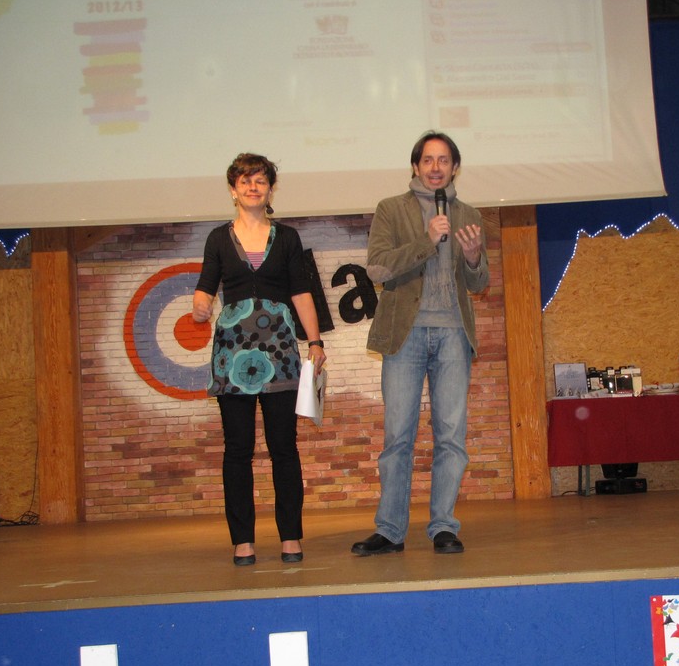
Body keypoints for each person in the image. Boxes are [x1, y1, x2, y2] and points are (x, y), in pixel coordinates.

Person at [351, 131, 489, 556]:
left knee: (451, 436)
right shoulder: (391, 209)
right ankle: (391, 530)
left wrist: (473, 258)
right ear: (415, 166)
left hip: (453, 334)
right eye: (427, 160)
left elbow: (478, 283)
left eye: (443, 160)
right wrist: (426, 241)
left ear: (455, 167)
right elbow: (377, 269)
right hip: (405, 334)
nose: (435, 168)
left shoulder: (469, 214)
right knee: (398, 437)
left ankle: (443, 526)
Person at [193, 153, 326, 566]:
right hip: (232, 355)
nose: (253, 187)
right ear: (233, 190)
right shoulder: (218, 238)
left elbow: (301, 292)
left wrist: (315, 341)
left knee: (284, 447)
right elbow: (205, 288)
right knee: (238, 450)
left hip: (280, 352)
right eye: (245, 181)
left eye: (261, 181)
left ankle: (291, 537)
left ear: (270, 190)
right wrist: (199, 306)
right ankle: (243, 541)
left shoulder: (287, 238)